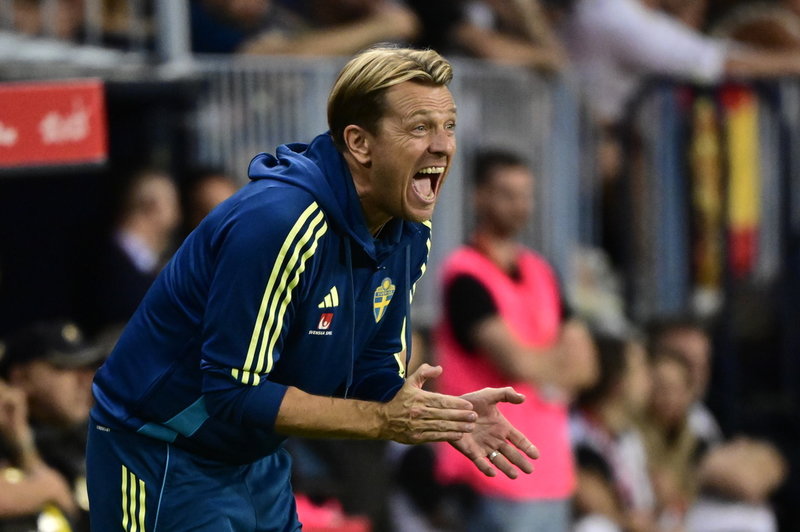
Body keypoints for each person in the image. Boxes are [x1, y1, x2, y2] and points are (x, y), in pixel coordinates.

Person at [86, 46, 540, 531]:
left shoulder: (409, 232)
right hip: (160, 453)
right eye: (419, 128)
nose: (443, 145)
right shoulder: (279, 222)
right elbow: (233, 392)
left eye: (448, 125)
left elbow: (371, 374)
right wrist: (384, 422)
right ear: (359, 144)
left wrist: (444, 416)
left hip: (255, 460)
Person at [432, 149, 598, 532]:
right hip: (488, 470)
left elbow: (588, 366)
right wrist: (557, 362)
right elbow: (516, 364)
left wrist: (539, 362)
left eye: (525, 194)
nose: (520, 205)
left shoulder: (541, 271)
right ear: (479, 197)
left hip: (551, 470)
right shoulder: (465, 276)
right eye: (507, 193)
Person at [1, 320, 107, 532]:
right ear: (21, 377)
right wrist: (45, 489)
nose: (84, 380)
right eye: (64, 367)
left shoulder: (92, 442)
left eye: (86, 368)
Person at [570, 333, 656, 532]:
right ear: (618, 382)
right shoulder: (575, 431)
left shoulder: (629, 437)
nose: (650, 377)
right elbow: (588, 496)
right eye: (641, 368)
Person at [84, 167, 181, 333]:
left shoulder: (143, 264)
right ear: (153, 206)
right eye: (173, 204)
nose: (178, 216)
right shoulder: (110, 268)